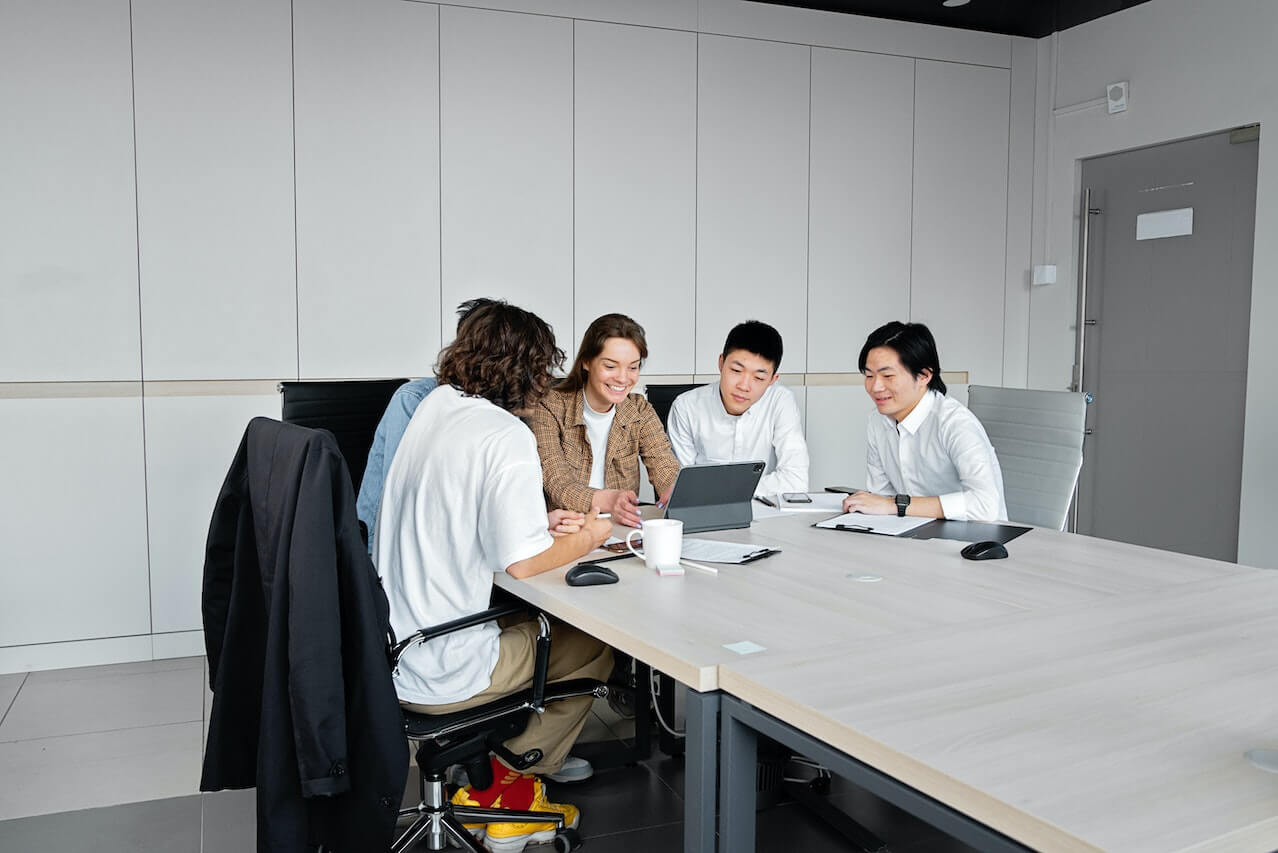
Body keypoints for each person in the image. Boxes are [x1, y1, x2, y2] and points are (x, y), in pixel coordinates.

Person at [375, 300, 614, 849]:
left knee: (540, 626)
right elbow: (523, 564)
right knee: (594, 644)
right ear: (523, 370)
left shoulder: (435, 407)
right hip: (447, 665)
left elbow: (455, 513)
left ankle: (496, 783)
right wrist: (588, 537)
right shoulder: (504, 433)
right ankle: (509, 790)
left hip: (395, 647)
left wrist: (536, 520)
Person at [357, 297, 497, 554]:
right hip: (386, 552)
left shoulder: (504, 404)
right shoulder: (414, 399)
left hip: (461, 545)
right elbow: (405, 499)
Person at [842, 321, 1007, 522]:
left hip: (971, 540)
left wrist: (894, 505)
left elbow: (985, 505)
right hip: (910, 535)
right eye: (869, 375)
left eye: (887, 376)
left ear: (923, 375)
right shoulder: (877, 421)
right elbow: (880, 498)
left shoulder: (955, 423)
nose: (875, 386)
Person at [529, 313, 680, 529]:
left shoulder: (639, 410)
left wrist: (673, 487)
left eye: (633, 367)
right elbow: (558, 484)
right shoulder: (550, 407)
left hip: (619, 533)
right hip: (565, 531)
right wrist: (609, 500)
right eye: (610, 366)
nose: (622, 378)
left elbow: (662, 462)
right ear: (587, 362)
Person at [667, 320, 809, 497]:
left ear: (773, 380)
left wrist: (725, 490)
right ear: (721, 363)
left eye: (758, 378)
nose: (744, 386)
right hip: (705, 513)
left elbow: (796, 480)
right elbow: (681, 485)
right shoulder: (686, 407)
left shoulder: (780, 401)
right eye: (736, 370)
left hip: (764, 514)